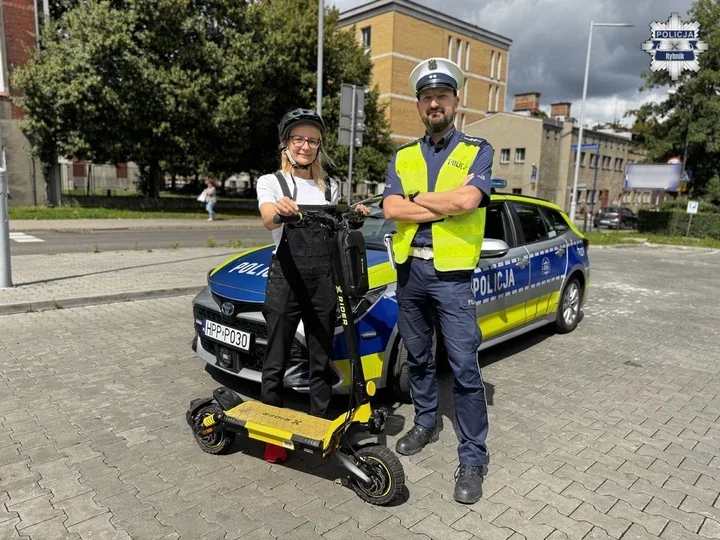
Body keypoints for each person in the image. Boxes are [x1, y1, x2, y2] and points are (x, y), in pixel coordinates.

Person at [382, 58, 493, 504]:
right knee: (418, 357)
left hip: (452, 277)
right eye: (427, 97)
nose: (434, 103)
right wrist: (441, 204)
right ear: (418, 104)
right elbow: (391, 208)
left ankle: (473, 457)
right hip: (410, 272)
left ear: (455, 101)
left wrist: (417, 200)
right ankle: (426, 422)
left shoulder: (477, 150)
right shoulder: (403, 155)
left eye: (441, 96)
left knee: (464, 367)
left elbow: (469, 200)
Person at [256, 108, 369, 464]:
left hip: (323, 279)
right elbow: (267, 218)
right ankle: (272, 435)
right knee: (276, 358)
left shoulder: (330, 187)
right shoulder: (272, 182)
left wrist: (354, 217)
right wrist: (280, 211)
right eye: (298, 139)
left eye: (312, 141)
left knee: (320, 358)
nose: (305, 146)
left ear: (319, 146)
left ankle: (319, 427)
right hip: (286, 279)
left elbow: (338, 228)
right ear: (286, 143)